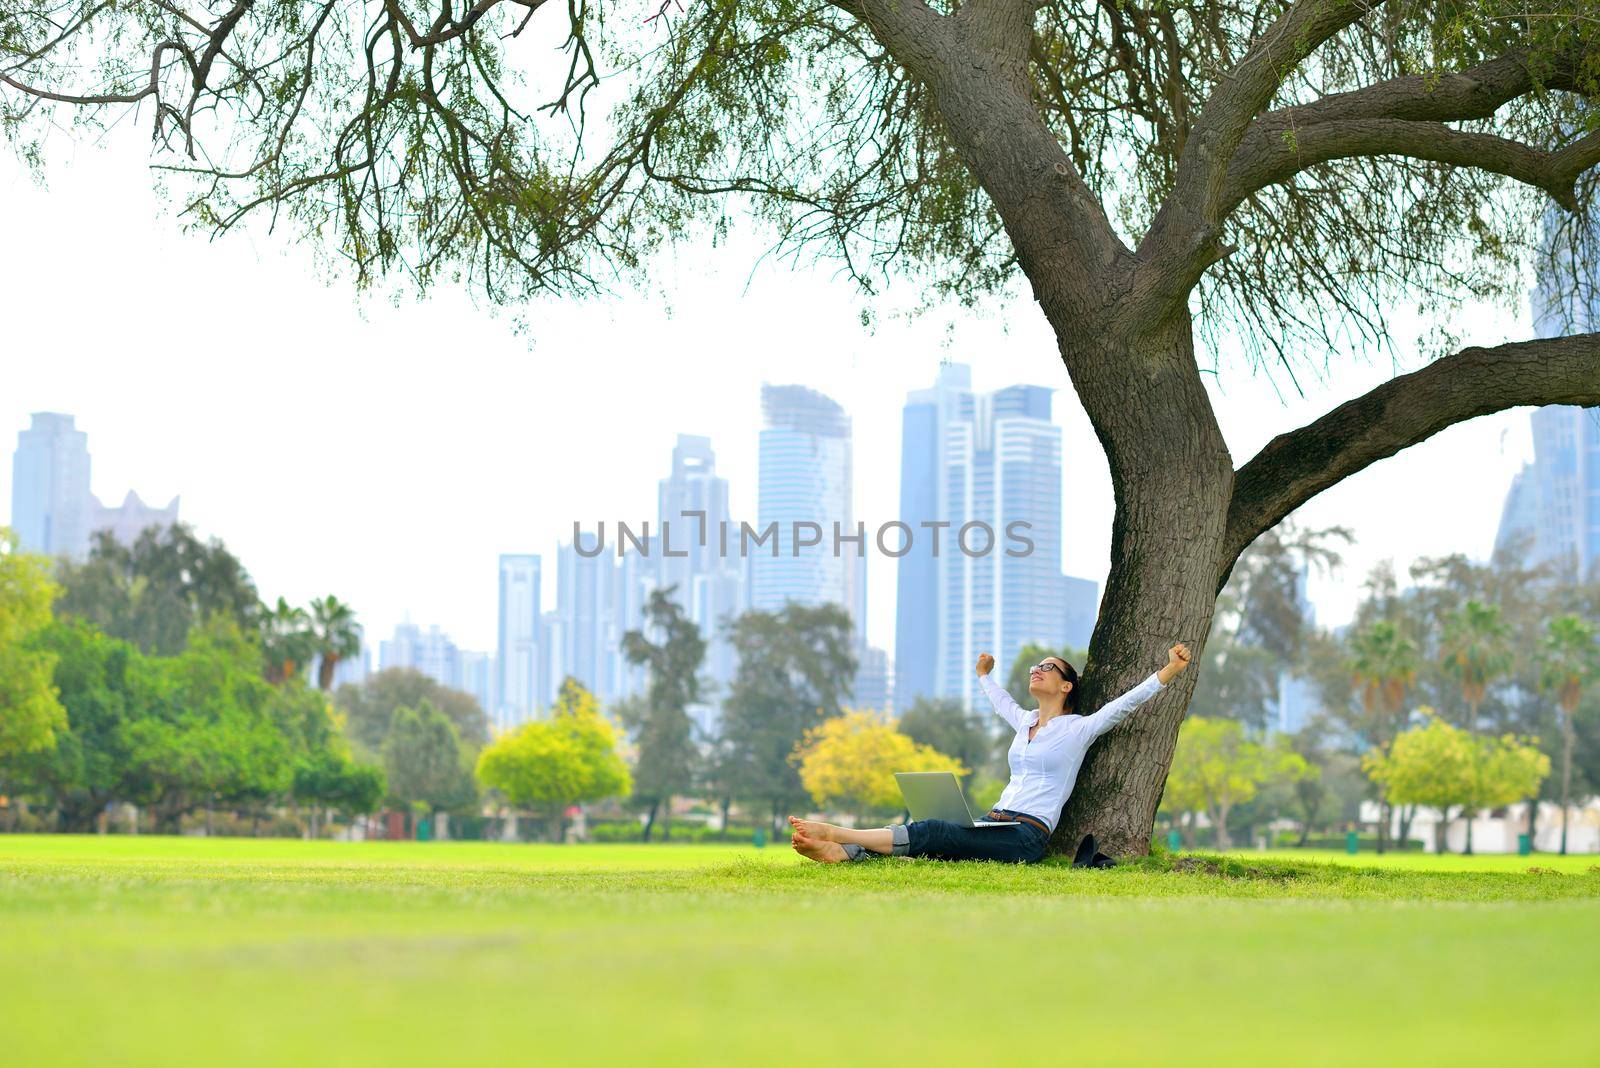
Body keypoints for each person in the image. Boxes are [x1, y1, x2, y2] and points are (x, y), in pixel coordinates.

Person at [789, 642, 1193, 864]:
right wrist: (984, 676)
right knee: (935, 847)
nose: (1037, 669)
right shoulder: (1025, 723)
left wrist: (1170, 671)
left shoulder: (1079, 728)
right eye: (1035, 665)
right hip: (993, 821)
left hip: (1025, 835)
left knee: (933, 832)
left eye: (1048, 667)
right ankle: (844, 854)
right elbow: (1001, 703)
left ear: (1067, 686)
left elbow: (1124, 704)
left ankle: (833, 833)